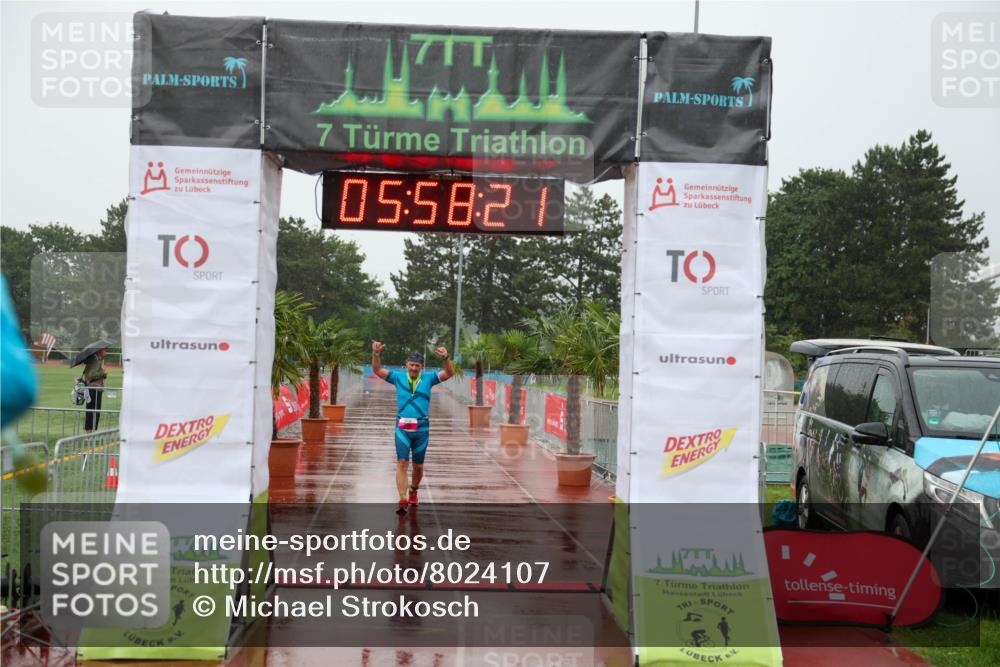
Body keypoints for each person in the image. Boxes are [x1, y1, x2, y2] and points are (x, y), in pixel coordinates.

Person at [371, 341, 454, 514]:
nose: (414, 368)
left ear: (421, 367)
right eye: (411, 365)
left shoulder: (429, 378)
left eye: (417, 365)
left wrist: (445, 357)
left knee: (418, 466)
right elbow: (377, 370)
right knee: (402, 463)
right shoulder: (397, 378)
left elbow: (449, 373)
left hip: (422, 430)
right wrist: (376, 354)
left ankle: (414, 491)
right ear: (406, 364)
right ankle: (402, 499)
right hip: (402, 428)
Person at [81, 348, 108, 433]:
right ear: (99, 351)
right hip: (93, 389)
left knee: (95, 411)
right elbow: (90, 375)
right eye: (104, 350)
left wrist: (103, 374)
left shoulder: (97, 360)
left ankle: (91, 432)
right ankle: (89, 433)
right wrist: (103, 373)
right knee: (92, 411)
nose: (105, 352)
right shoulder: (95, 361)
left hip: (96, 389)